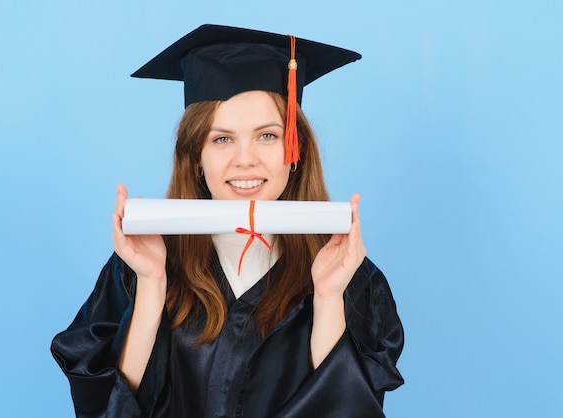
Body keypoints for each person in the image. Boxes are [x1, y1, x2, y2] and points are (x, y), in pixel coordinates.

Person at [51, 24, 404, 418]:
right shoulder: (139, 264)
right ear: (195, 157)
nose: (245, 159)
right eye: (222, 139)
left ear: (295, 149)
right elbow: (107, 408)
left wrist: (327, 298)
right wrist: (151, 286)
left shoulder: (350, 276)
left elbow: (348, 410)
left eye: (268, 136)